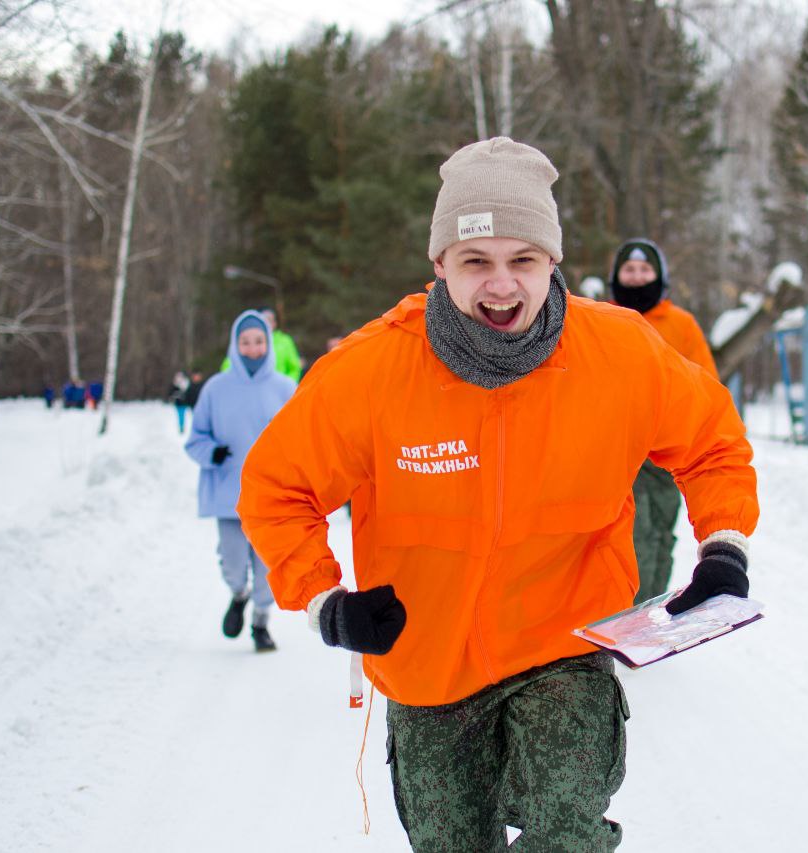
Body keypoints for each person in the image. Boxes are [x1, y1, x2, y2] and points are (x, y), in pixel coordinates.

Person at [240, 138, 758, 850]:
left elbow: (713, 441)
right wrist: (324, 600)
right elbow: (277, 487)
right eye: (475, 261)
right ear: (439, 264)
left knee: (566, 830)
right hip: (428, 664)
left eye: (524, 260)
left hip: (564, 643)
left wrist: (723, 546)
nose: (502, 285)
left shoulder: (621, 354)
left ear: (553, 261)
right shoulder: (371, 373)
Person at [609, 238, 722, 605]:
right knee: (633, 533)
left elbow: (705, 383)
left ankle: (650, 607)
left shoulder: (681, 324)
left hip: (665, 452)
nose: (637, 277)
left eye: (645, 269)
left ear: (659, 276)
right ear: (616, 276)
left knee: (660, 532)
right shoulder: (602, 319)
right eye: (629, 269)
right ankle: (627, 610)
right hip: (619, 450)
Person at [185, 312, 296, 652]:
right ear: (235, 345)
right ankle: (238, 594)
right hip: (228, 494)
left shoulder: (285, 388)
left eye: (259, 341)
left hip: (271, 498)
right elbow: (195, 439)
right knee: (233, 563)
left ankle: (260, 621)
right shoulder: (216, 389)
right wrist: (212, 453)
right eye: (245, 342)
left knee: (267, 567)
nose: (252, 348)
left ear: (269, 343)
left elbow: (302, 439)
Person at [220, 306, 302, 382]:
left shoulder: (285, 341)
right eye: (264, 320)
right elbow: (228, 366)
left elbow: (294, 367)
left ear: (275, 323)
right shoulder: (245, 341)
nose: (267, 323)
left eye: (270, 320)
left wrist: (287, 386)